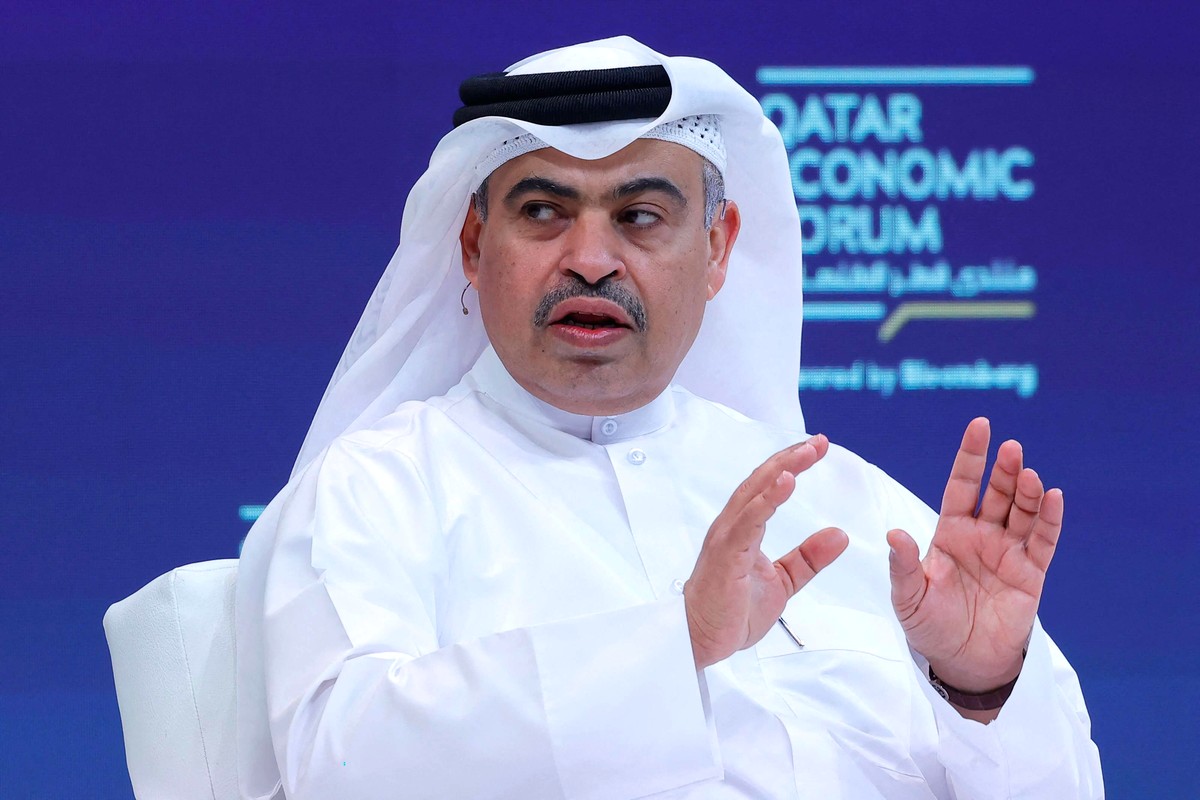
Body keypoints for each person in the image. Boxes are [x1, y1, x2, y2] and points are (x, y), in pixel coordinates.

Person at [235, 37, 1103, 799]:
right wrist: (675, 643)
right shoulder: (379, 490)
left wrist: (981, 688)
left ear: (718, 247)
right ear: (472, 245)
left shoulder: (843, 505)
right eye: (544, 212)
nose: (590, 260)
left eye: (640, 217)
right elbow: (339, 765)